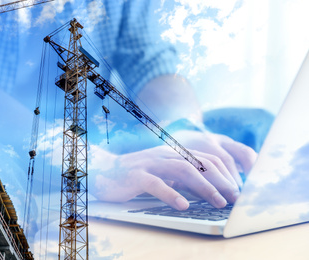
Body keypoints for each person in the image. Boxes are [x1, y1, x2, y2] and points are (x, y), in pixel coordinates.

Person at [64, 0, 274, 210]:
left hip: (97, 134)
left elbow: (150, 64)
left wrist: (182, 130)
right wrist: (100, 164)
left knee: (257, 123)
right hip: (50, 146)